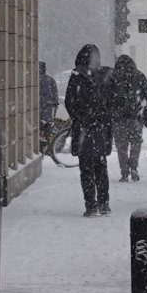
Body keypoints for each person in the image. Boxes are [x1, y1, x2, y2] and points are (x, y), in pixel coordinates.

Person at [63, 45, 112, 214]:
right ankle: (104, 203)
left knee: (86, 169)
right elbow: (110, 102)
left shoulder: (77, 77)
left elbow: (70, 102)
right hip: (100, 129)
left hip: (84, 130)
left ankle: (91, 205)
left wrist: (80, 117)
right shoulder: (103, 76)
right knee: (101, 167)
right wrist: (103, 118)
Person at [111, 52, 147, 181]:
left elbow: (107, 98)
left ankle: (124, 171)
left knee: (121, 145)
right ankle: (133, 167)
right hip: (135, 117)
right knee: (136, 143)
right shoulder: (139, 76)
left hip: (118, 118)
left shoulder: (114, 77)